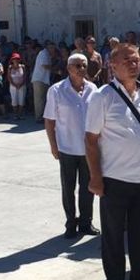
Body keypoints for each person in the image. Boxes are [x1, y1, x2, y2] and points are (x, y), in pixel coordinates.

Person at [85, 43, 140, 280]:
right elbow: (90, 140)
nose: (133, 64)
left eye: (136, 60)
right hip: (114, 181)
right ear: (113, 65)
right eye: (127, 60)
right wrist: (95, 178)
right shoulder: (102, 97)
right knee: (114, 238)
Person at [45, 53, 99, 238]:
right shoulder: (56, 90)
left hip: (88, 149)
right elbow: (49, 120)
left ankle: (86, 222)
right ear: (68, 68)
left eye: (84, 65)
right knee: (68, 188)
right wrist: (53, 145)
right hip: (67, 148)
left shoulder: (93, 89)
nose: (81, 69)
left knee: (88, 188)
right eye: (77, 65)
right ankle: (70, 223)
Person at [32, 41, 54, 123]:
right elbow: (44, 65)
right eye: (52, 48)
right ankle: (39, 117)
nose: (53, 50)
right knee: (39, 99)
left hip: (43, 79)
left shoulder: (47, 54)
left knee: (43, 99)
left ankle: (42, 117)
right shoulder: (43, 53)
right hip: (40, 79)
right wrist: (55, 69)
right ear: (48, 47)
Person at [7, 53, 27, 119]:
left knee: (21, 99)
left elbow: (25, 76)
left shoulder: (23, 66)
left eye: (17, 59)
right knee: (14, 100)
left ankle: (20, 114)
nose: (16, 60)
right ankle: (15, 114)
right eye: (14, 59)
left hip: (22, 85)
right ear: (12, 60)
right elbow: (9, 77)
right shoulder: (10, 67)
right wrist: (14, 85)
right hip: (13, 86)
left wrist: (21, 84)